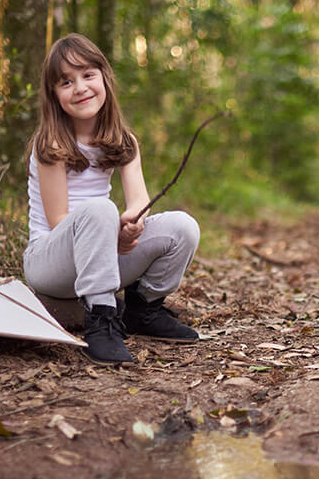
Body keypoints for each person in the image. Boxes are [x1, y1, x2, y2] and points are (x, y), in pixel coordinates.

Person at [23, 33, 200, 364]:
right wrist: (108, 233)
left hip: (102, 248)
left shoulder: (124, 141)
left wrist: (130, 226)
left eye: (88, 75)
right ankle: (101, 319)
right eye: (66, 82)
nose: (80, 88)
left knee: (182, 227)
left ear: (104, 77)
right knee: (101, 209)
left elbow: (138, 203)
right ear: (54, 94)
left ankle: (142, 309)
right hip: (50, 262)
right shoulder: (50, 144)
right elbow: (58, 220)